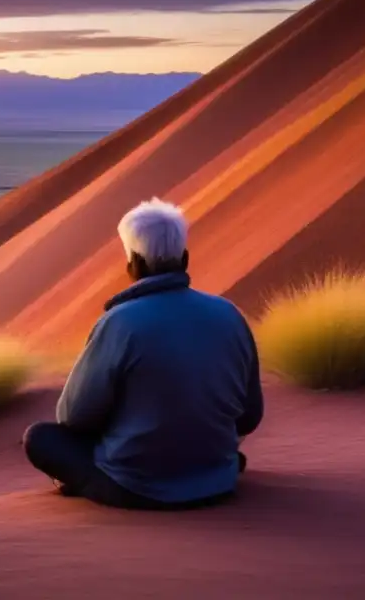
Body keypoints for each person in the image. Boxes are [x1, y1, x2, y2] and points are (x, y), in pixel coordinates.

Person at [23, 197, 264, 510]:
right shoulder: (229, 314)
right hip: (216, 480)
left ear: (133, 264)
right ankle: (205, 467)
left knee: (41, 439)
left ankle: (85, 484)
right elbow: (249, 416)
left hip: (138, 488)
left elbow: (73, 417)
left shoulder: (119, 322)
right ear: (186, 259)